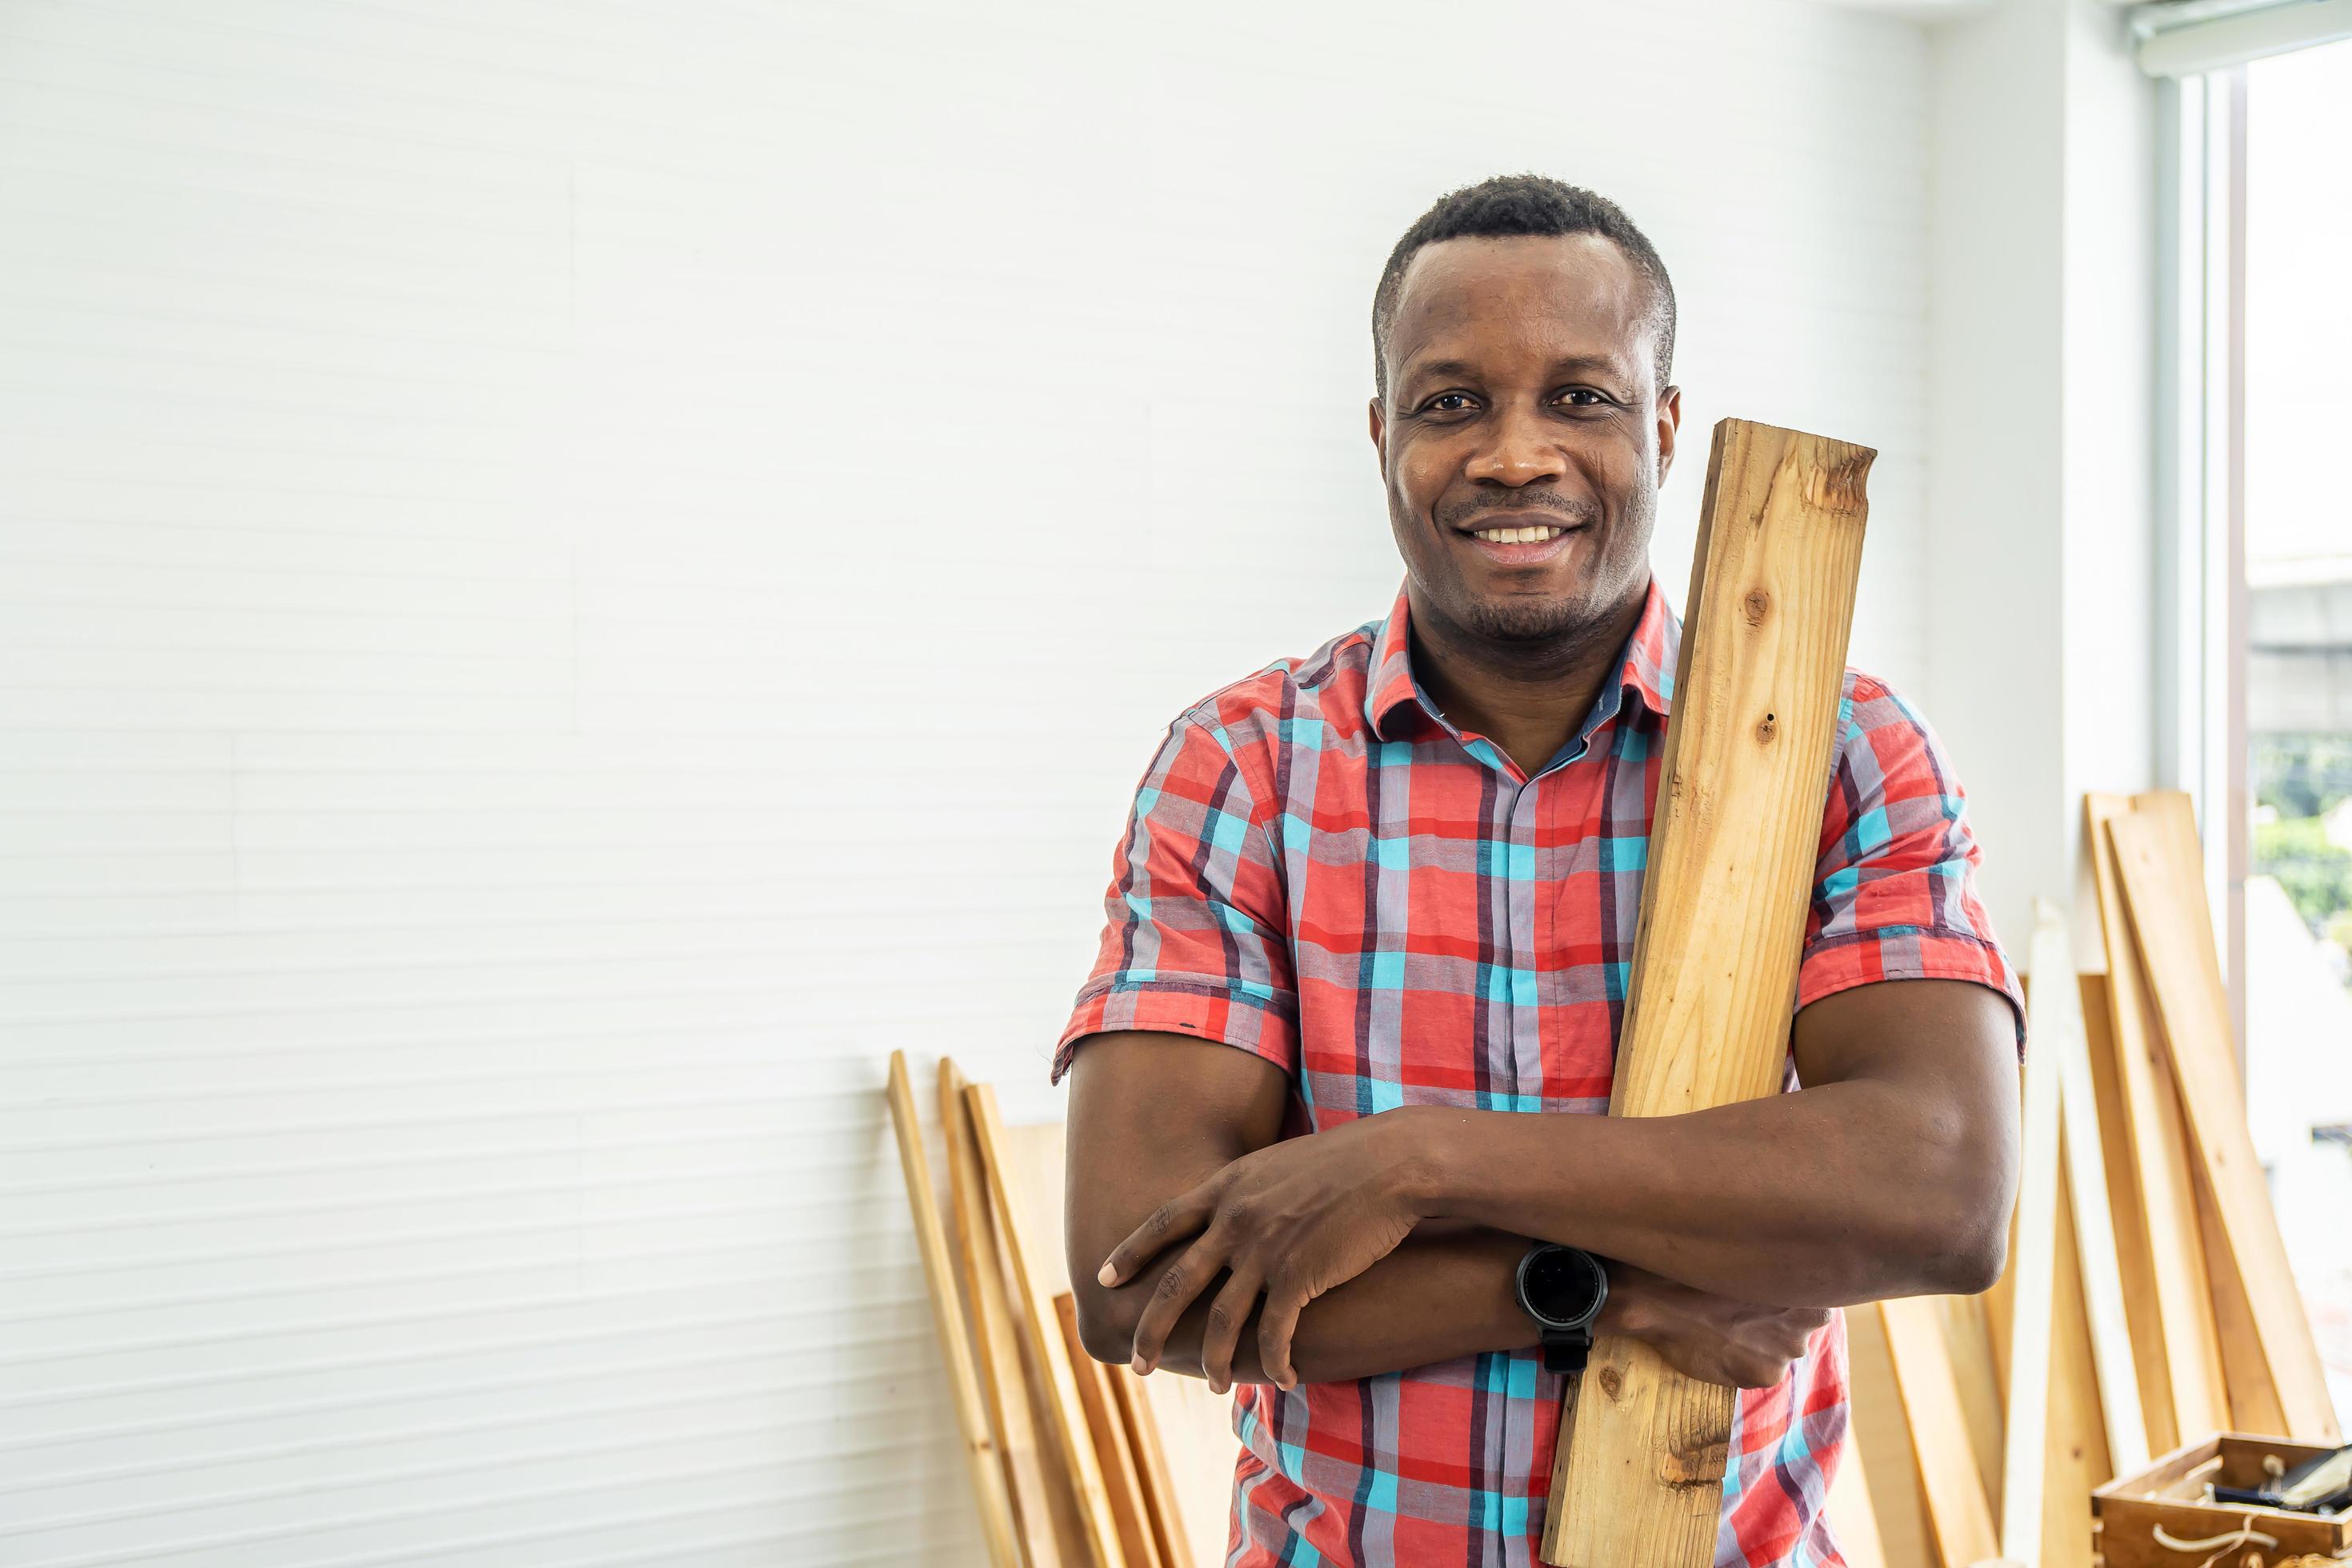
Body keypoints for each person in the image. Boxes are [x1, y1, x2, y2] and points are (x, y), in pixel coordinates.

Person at [1054, 173, 2026, 1568]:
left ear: (1665, 428)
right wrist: (1577, 1288)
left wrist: (1411, 1166)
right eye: (1452, 401)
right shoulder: (1242, 768)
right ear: (1382, 434)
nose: (1516, 454)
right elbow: (1130, 1279)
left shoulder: (1839, 748)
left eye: (1580, 396)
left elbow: (1942, 1196)